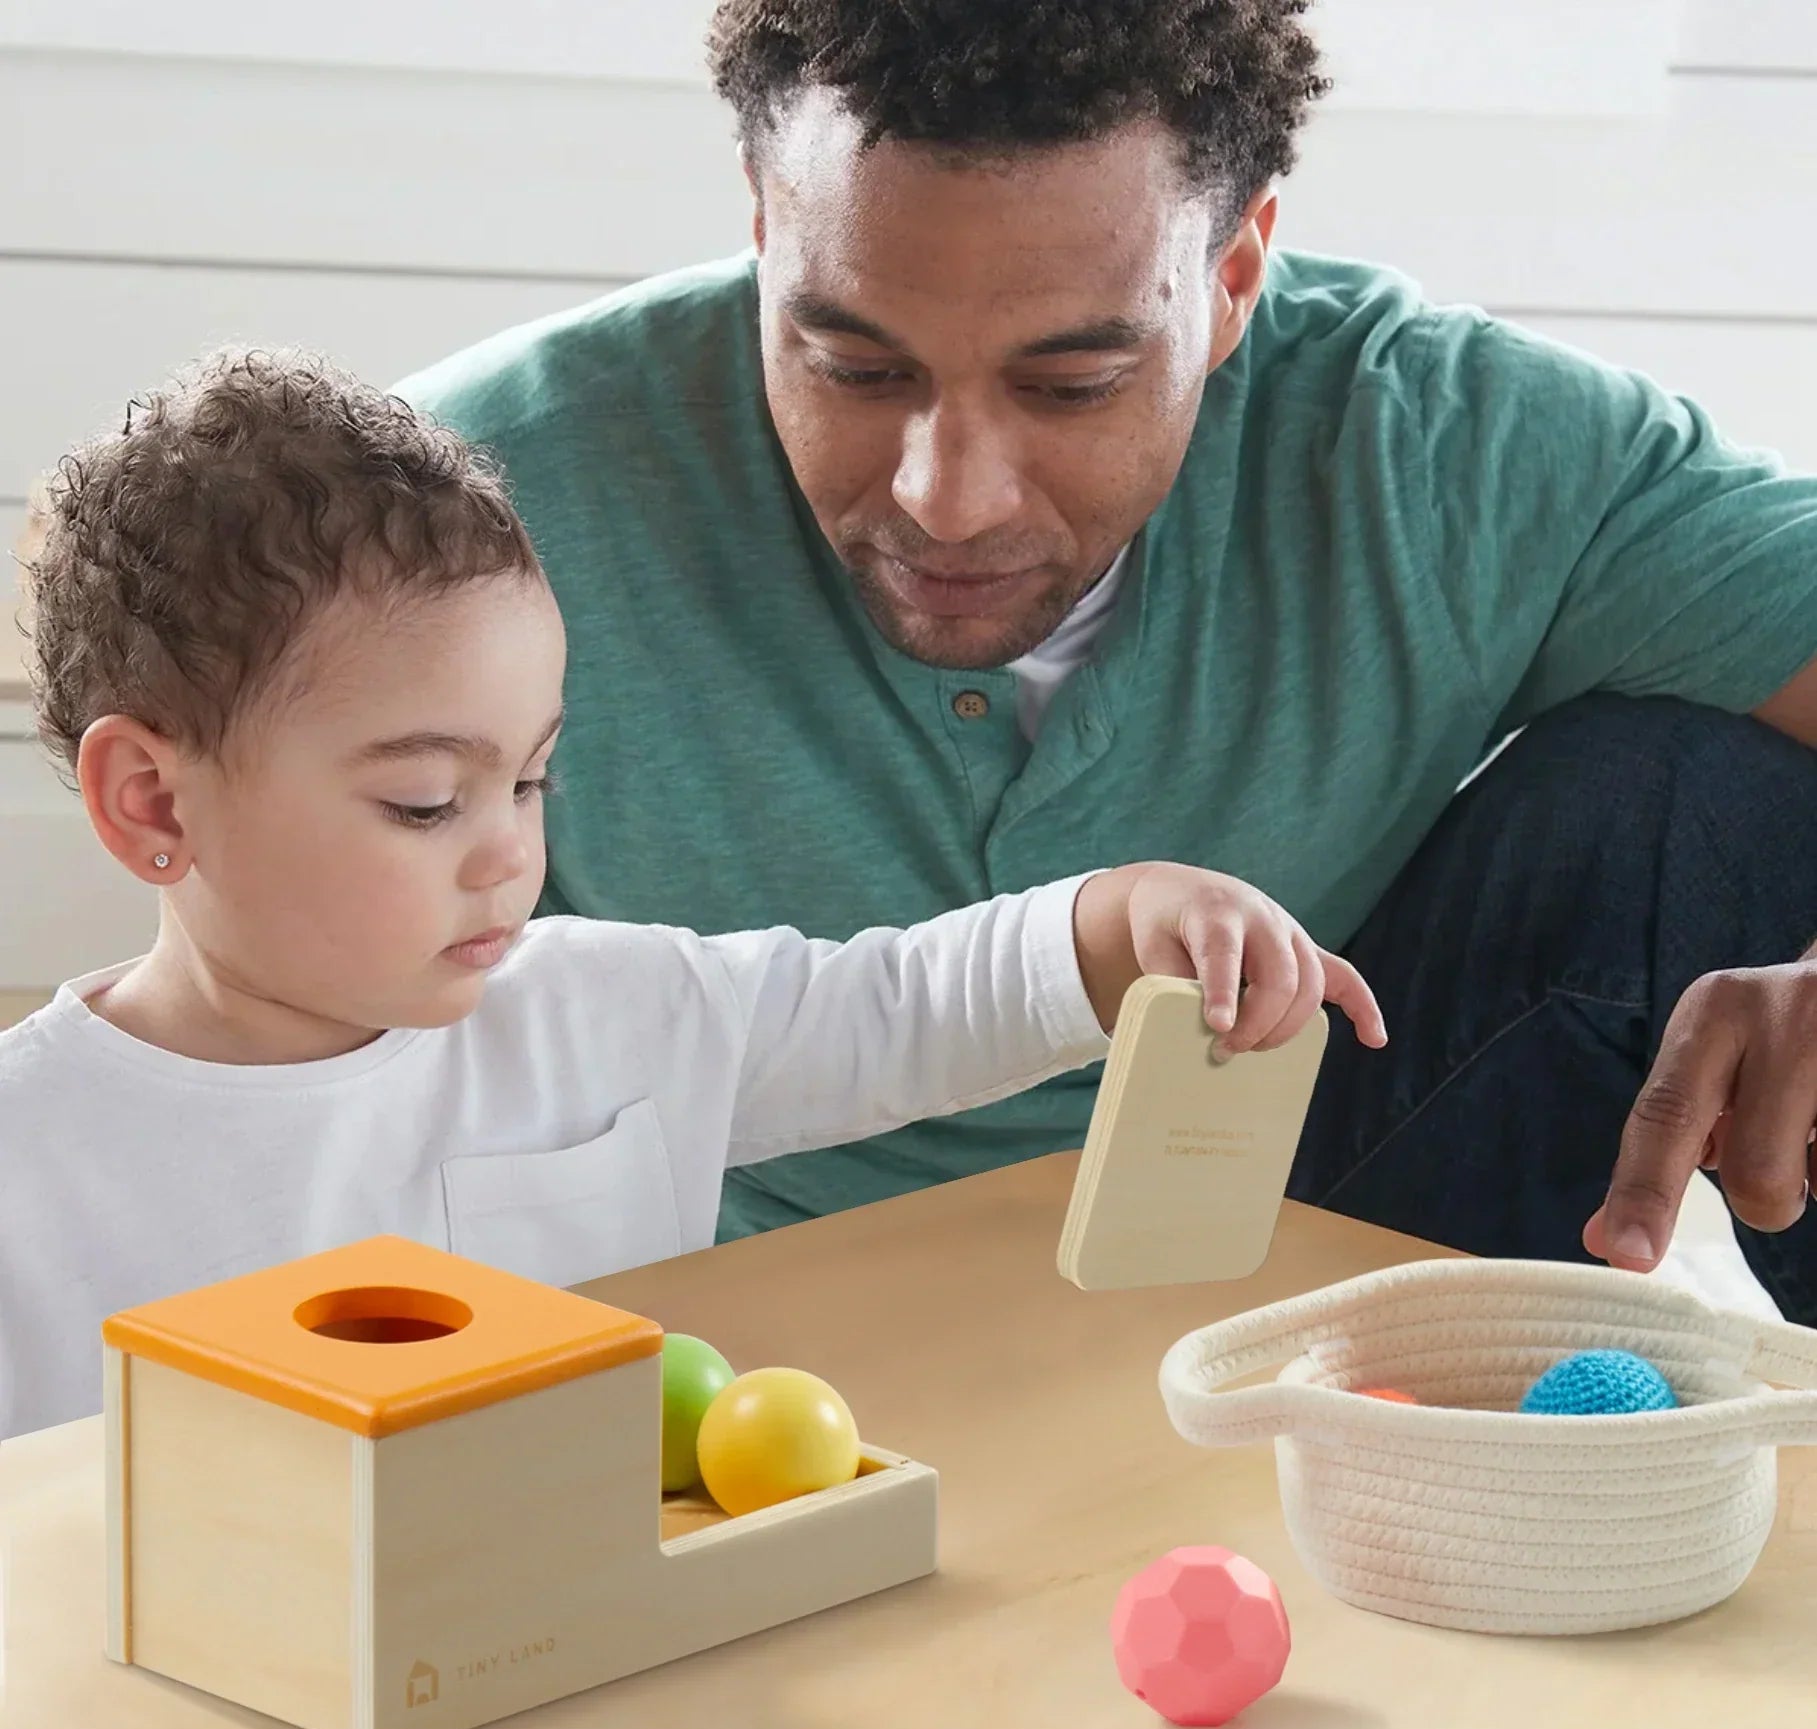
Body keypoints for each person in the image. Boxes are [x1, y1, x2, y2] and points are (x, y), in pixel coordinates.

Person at [396, 0, 1817, 1318]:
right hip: (730, 1319)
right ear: (766, 229)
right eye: (853, 366)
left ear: (1234, 277)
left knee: (1699, 793)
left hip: (1314, 1248)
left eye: (1069, 384)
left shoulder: (1437, 440)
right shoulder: (462, 495)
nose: (945, 496)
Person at [0, 349, 1382, 1440]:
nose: (505, 856)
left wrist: (1125, 919)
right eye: (425, 801)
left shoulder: (607, 1009)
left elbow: (893, 1006)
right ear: (155, 803)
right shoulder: (29, 1161)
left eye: (530, 782)